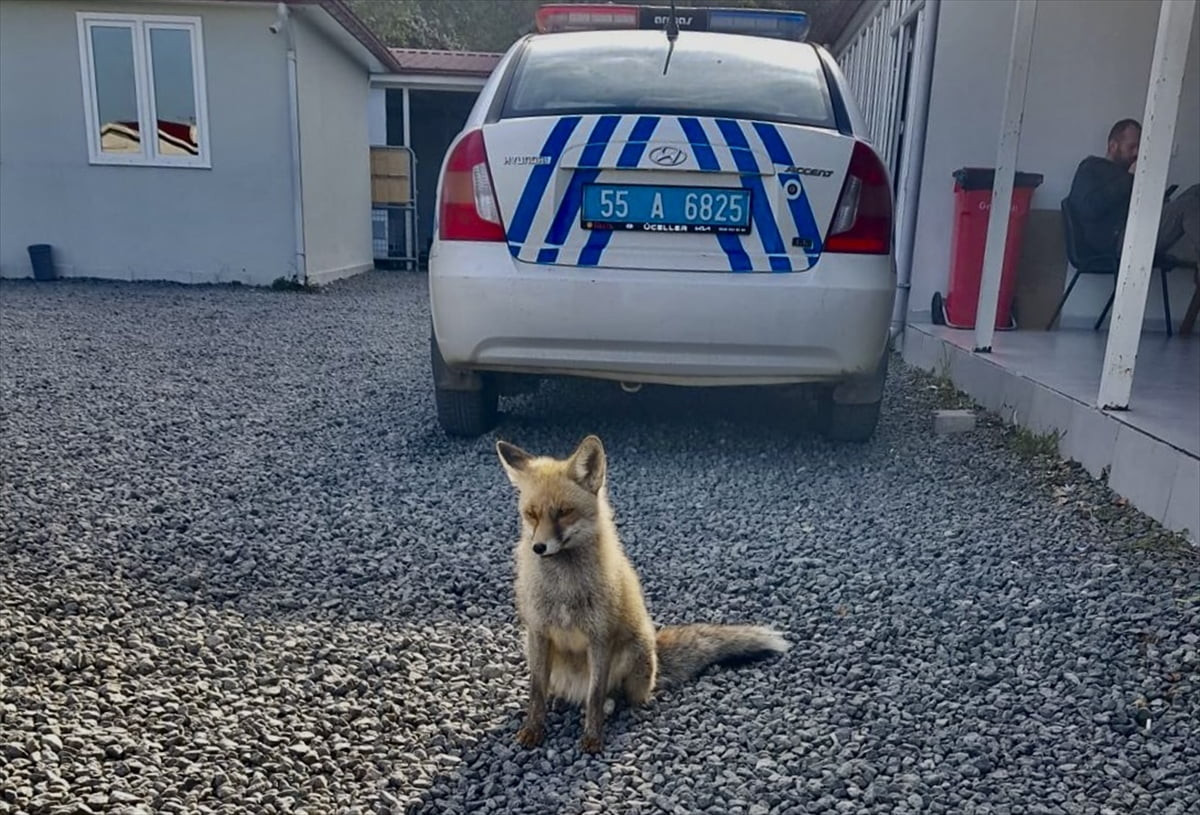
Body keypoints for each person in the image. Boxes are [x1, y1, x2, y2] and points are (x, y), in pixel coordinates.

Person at [1067, 118, 1199, 271]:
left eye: (1140, 147)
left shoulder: (1126, 174)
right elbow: (1089, 208)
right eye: (1132, 147)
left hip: (1140, 228)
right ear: (1113, 146)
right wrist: (1129, 178)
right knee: (1188, 205)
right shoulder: (1091, 168)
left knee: (1197, 191)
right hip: (1116, 240)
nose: (1137, 152)